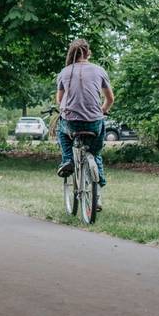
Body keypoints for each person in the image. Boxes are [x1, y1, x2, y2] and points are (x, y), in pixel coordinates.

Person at [55, 39, 114, 210]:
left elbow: (60, 101)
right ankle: (98, 194)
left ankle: (67, 160)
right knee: (95, 153)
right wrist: (102, 110)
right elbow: (110, 99)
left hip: (71, 122)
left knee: (61, 131)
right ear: (88, 53)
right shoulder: (99, 70)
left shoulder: (64, 72)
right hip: (94, 122)